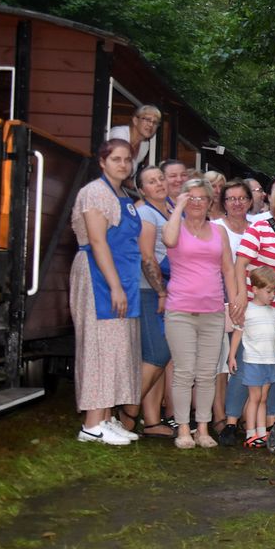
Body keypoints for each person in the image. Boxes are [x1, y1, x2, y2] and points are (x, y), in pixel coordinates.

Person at [220, 183, 275, 445]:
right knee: (245, 363)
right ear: (274, 205)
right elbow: (241, 263)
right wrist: (239, 297)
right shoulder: (260, 228)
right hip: (256, 309)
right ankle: (231, 421)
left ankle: (271, 422)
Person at [70, 139, 142, 445]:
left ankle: (104, 418)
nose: (123, 164)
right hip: (99, 275)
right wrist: (114, 285)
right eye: (116, 159)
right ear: (103, 161)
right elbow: (98, 242)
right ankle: (90, 424)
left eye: (127, 159)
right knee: (99, 345)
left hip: (120, 274)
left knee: (116, 347)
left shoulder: (123, 193)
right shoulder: (94, 193)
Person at [162, 178, 241, 449]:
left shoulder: (219, 232)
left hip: (213, 311)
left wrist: (234, 303)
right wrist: (178, 208)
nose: (196, 203)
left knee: (207, 373)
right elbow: (168, 240)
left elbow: (228, 269)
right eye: (190, 198)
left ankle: (203, 428)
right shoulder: (176, 227)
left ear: (210, 203)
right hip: (181, 310)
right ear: (183, 200)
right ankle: (184, 427)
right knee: (184, 371)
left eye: (201, 198)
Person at [131, 164, 174, 438]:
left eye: (161, 178)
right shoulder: (146, 213)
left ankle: (151, 420)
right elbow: (147, 256)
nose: (158, 184)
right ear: (141, 189)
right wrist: (160, 292)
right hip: (149, 290)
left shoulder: (169, 209)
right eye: (151, 181)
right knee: (157, 354)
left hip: (170, 291)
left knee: (160, 356)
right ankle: (127, 411)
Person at [227, 266, 275, 448]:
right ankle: (250, 433)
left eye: (274, 291)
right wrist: (232, 357)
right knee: (254, 397)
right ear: (255, 290)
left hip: (269, 362)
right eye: (268, 291)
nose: (272, 295)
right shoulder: (248, 310)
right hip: (253, 361)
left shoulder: (274, 313)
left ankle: (262, 432)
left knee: (263, 398)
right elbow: (237, 334)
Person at [211, 180, 253, 431]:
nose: (237, 203)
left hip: (250, 301)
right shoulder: (215, 228)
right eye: (231, 199)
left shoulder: (258, 227)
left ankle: (241, 412)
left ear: (250, 201)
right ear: (223, 203)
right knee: (220, 362)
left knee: (244, 358)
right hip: (219, 298)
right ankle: (219, 415)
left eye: (241, 198)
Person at [108, 105, 161, 172]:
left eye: (155, 122)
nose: (151, 125)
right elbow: (115, 168)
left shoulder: (144, 145)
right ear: (135, 120)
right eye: (147, 119)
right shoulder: (120, 134)